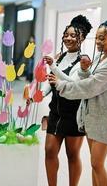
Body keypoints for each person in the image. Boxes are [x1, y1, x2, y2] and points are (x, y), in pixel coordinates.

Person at [47, 20, 107, 186]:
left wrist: (61, 85)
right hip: (90, 114)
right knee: (94, 164)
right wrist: (85, 70)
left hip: (104, 115)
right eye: (97, 38)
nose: (98, 42)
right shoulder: (101, 56)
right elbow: (89, 79)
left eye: (101, 38)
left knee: (96, 164)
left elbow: (92, 86)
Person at [43, 15, 92, 186]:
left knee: (72, 154)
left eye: (73, 35)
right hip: (55, 112)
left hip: (74, 114)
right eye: (66, 35)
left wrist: (54, 68)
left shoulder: (84, 61)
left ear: (82, 38)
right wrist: (39, 95)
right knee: (49, 150)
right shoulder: (59, 57)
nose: (68, 38)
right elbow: (52, 81)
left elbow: (75, 83)